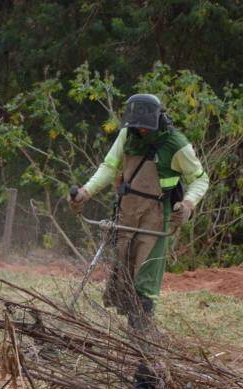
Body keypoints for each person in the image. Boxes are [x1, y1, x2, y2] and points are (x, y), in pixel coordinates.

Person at [70, 93, 209, 328]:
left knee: (145, 279)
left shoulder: (175, 144)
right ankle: (135, 336)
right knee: (123, 275)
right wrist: (86, 191)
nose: (141, 130)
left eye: (146, 126)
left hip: (155, 218)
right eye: (137, 125)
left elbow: (200, 179)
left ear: (157, 119)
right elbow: (109, 166)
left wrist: (188, 204)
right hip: (127, 213)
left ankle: (142, 344)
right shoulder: (127, 135)